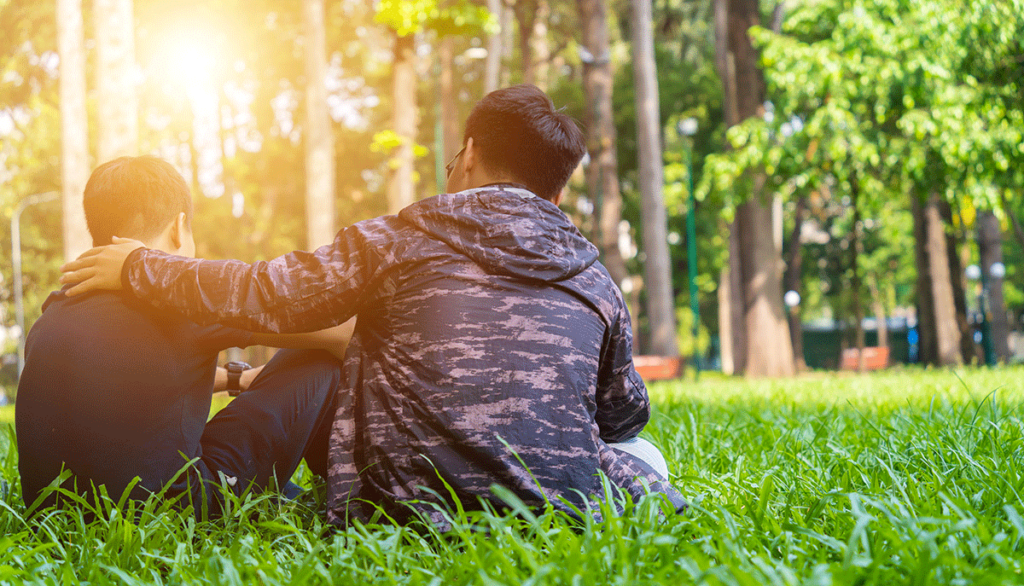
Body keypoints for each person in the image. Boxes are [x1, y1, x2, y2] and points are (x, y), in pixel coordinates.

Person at [60, 85, 686, 527]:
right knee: (646, 458)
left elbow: (270, 293)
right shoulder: (595, 279)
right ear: (558, 185)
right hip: (561, 506)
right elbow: (623, 418)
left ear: (468, 154)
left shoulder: (395, 239)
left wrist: (140, 264)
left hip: (409, 505)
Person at [17, 156, 351, 516]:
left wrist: (237, 378)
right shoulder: (180, 297)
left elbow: (130, 382)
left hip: (51, 513)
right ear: (178, 228)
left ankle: (291, 497)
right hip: (171, 514)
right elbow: (345, 334)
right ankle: (347, 498)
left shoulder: (56, 308)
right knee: (316, 358)